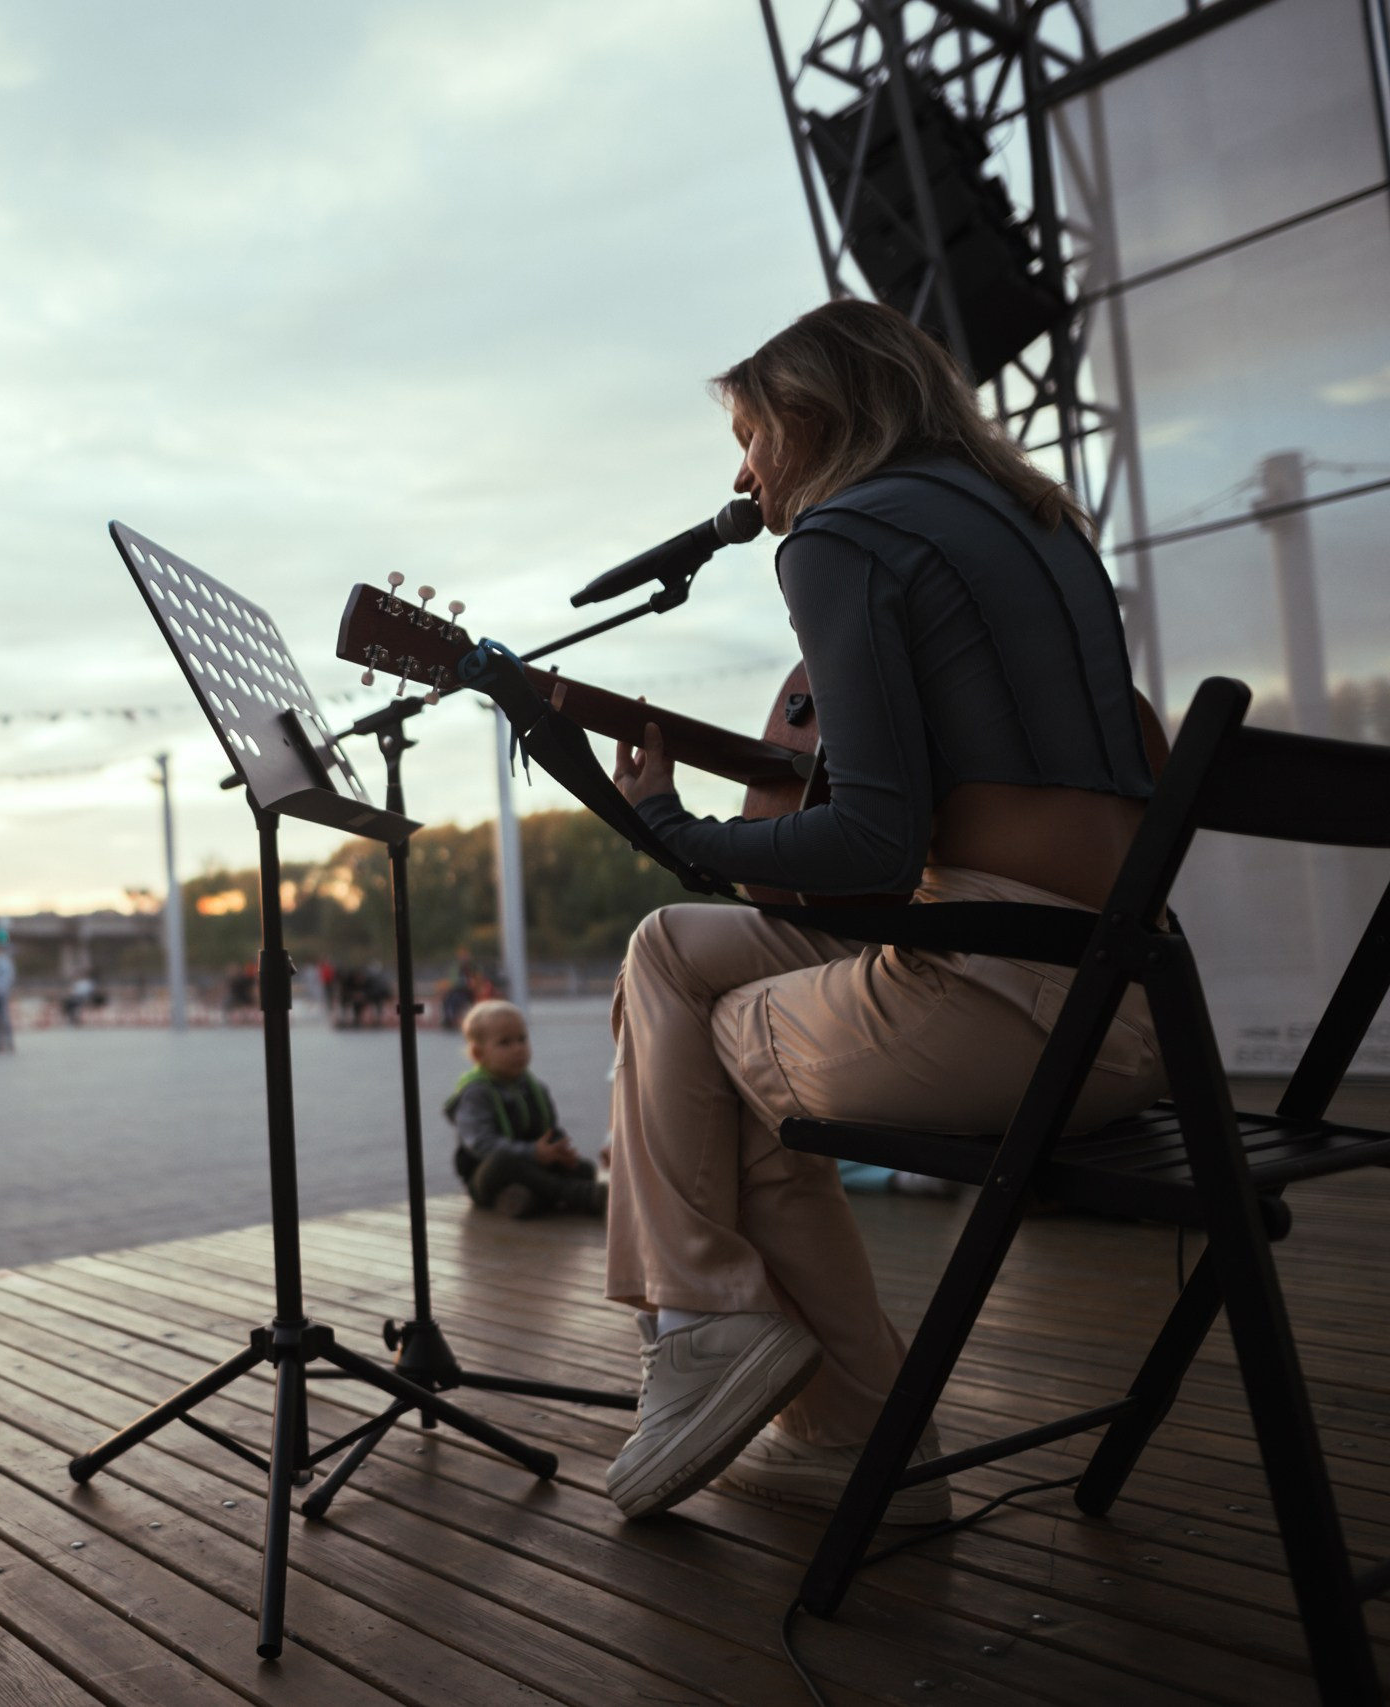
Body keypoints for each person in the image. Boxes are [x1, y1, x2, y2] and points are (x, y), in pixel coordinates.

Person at [595, 299, 1168, 1527]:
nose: (741, 473)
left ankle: (784, 1384)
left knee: (703, 1049)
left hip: (1002, 1006)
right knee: (667, 950)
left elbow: (872, 836)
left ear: (810, 415)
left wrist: (666, 827)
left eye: (749, 435)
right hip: (1134, 1002)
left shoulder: (841, 535)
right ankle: (732, 1341)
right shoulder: (1043, 522)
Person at [446, 999, 607, 1219]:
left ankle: (523, 1198)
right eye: (505, 1043)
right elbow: (482, 1144)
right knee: (503, 1161)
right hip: (488, 1174)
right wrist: (533, 1152)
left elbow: (549, 1130)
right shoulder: (475, 1094)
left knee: (584, 1169)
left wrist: (559, 1151)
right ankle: (579, 1195)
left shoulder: (535, 1088)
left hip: (534, 1165)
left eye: (522, 1039)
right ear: (478, 1053)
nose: (518, 1048)